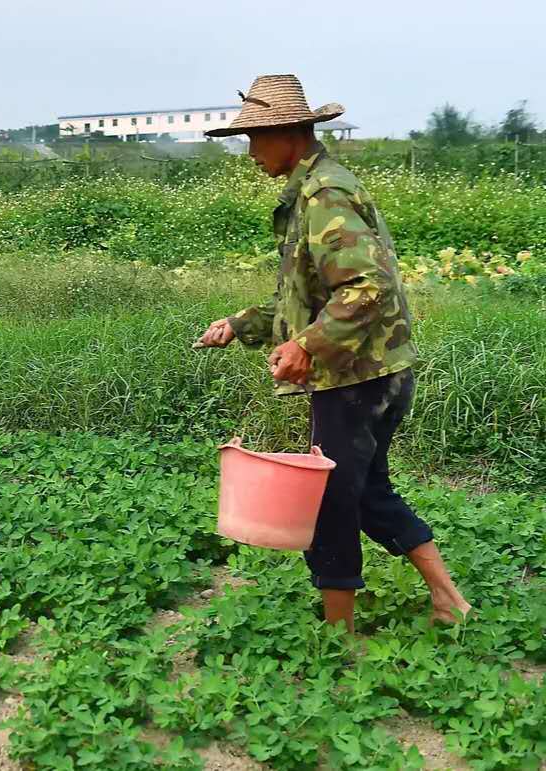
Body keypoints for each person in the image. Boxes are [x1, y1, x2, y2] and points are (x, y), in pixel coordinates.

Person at [196, 74, 471, 635]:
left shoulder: (325, 195)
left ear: (289, 133)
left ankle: (337, 639)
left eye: (254, 138)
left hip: (356, 380)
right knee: (366, 490)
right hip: (375, 371)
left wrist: (307, 345)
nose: (249, 152)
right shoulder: (314, 191)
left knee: (329, 503)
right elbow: (307, 300)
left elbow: (366, 287)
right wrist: (242, 325)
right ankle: (449, 600)